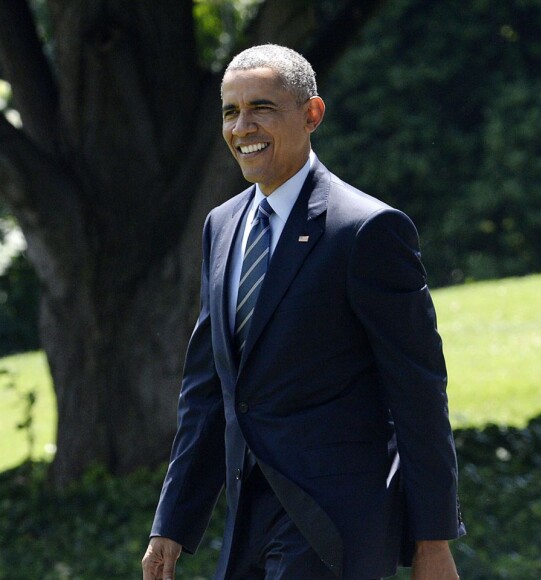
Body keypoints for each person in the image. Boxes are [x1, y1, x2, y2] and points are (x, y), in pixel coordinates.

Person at [142, 44, 465, 580]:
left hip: (337, 525)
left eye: (262, 108)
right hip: (246, 523)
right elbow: (208, 392)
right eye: (230, 111)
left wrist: (432, 541)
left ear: (312, 114)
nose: (243, 126)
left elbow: (418, 391)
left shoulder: (367, 230)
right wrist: (170, 525)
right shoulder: (219, 227)